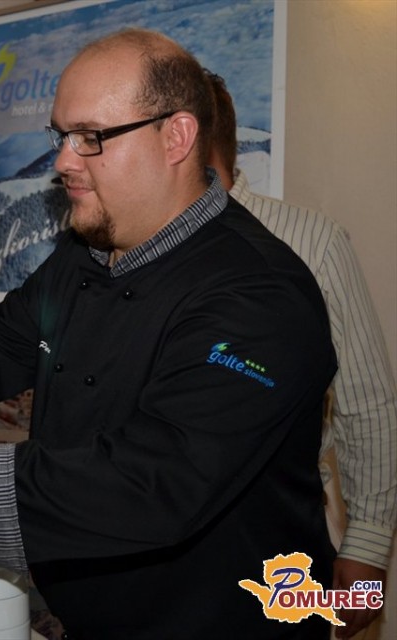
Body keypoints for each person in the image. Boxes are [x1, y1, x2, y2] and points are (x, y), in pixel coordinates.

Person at [0, 28, 338, 638]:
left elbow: (155, 485)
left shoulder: (259, 294)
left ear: (176, 137)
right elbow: (1, 340)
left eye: (91, 137)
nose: (63, 161)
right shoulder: (88, 252)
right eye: (61, 135)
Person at [207, 71, 396, 639]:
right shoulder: (131, 250)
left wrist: (367, 551)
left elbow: (368, 401)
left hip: (281, 541)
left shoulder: (311, 241)